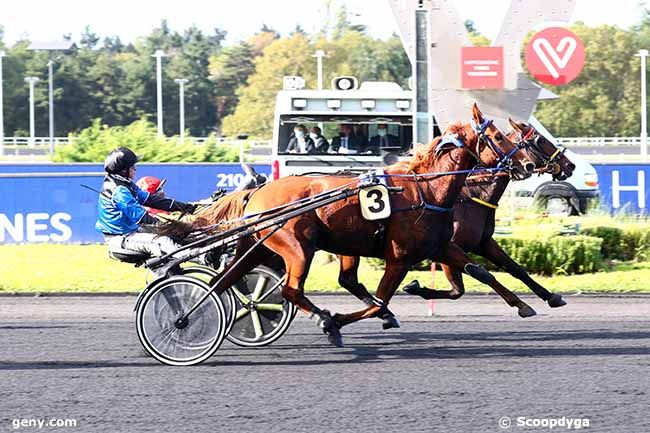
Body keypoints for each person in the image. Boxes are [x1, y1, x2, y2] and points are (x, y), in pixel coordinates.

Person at [96, 147, 198, 260]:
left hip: (132, 230)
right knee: (162, 241)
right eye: (133, 167)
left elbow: (152, 200)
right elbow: (141, 217)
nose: (135, 169)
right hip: (121, 237)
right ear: (124, 170)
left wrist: (186, 207)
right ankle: (201, 257)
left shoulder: (126, 184)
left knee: (177, 234)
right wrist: (167, 224)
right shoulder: (119, 190)